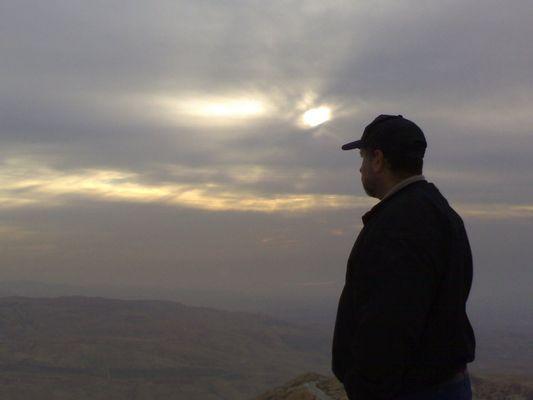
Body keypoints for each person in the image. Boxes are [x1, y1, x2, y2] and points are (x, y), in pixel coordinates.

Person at [331, 115, 476, 400]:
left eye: (362, 158)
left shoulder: (399, 226)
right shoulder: (441, 213)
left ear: (378, 159)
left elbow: (390, 322)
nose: (360, 169)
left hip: (411, 390)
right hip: (441, 383)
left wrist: (365, 388)